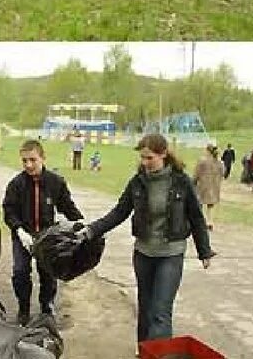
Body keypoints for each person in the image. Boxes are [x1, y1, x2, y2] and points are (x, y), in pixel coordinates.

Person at [84, 133, 215, 343]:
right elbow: (119, 212)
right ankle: (145, 356)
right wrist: (92, 230)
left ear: (163, 154)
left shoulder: (181, 181)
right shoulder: (137, 182)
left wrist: (204, 251)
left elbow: (197, 217)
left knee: (160, 311)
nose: (145, 163)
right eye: (142, 158)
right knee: (145, 307)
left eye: (149, 158)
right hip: (143, 254)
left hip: (171, 254)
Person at [2, 139, 84, 324]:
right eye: (24, 161)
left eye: (32, 160)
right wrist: (19, 230)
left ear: (42, 158)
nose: (28, 165)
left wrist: (80, 223)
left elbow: (67, 206)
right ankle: (24, 308)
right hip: (23, 235)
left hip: (47, 235)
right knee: (20, 271)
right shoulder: (16, 184)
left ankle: (47, 306)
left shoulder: (55, 182)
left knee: (48, 273)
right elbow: (9, 210)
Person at [193, 143, 224, 231]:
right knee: (211, 205)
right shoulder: (220, 162)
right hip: (214, 185)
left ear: (207, 150)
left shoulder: (202, 161)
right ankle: (210, 221)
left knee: (200, 203)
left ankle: (202, 221)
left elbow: (196, 173)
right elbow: (222, 174)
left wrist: (194, 181)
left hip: (203, 184)